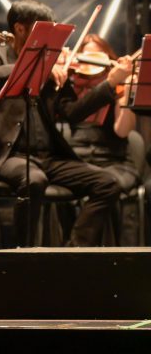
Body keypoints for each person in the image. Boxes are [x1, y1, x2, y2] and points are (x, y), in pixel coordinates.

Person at [0, 0, 130, 246]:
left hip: (50, 157)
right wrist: (32, 64)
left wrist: (110, 83)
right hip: (10, 155)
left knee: (107, 184)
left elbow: (73, 112)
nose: (51, 40)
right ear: (20, 28)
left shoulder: (51, 65)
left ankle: (72, 252)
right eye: (44, 30)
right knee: (34, 181)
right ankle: (24, 255)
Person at [67, 34, 140, 244]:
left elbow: (122, 131)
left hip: (114, 160)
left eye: (97, 58)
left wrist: (128, 91)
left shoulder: (118, 86)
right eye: (86, 57)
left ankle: (92, 252)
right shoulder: (72, 86)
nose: (91, 64)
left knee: (109, 185)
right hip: (79, 160)